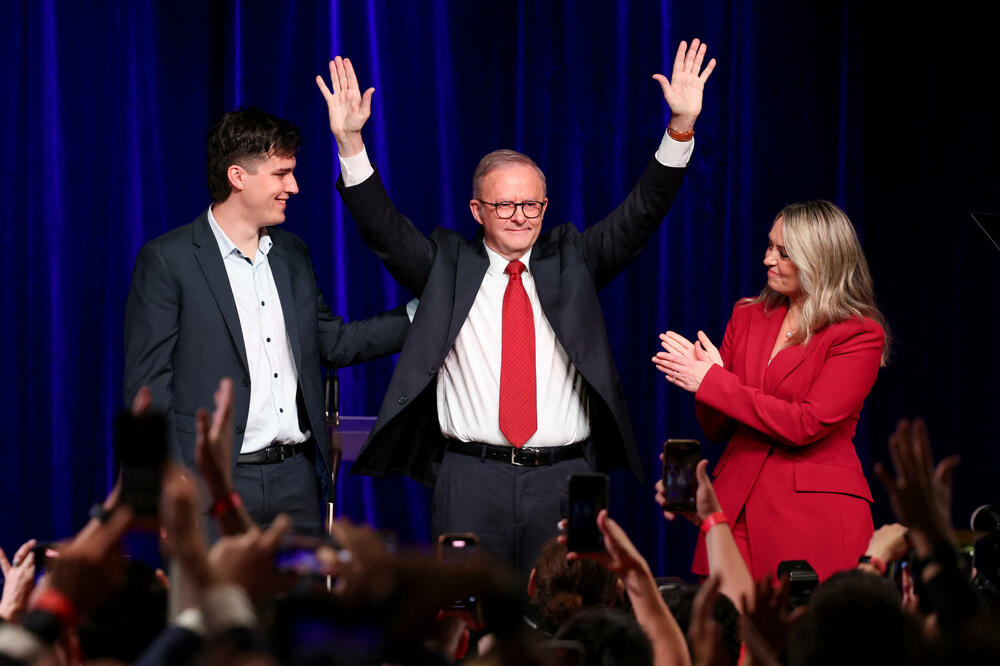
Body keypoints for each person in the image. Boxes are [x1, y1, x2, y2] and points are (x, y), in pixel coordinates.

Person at [316, 40, 716, 574]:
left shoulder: (572, 259)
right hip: (469, 479)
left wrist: (680, 129)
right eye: (505, 204)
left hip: (566, 479)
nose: (520, 216)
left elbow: (641, 214)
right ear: (477, 209)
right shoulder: (447, 267)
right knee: (469, 624)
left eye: (532, 204)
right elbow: (382, 229)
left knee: (566, 624)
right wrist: (350, 142)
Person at [123, 107, 410, 531]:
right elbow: (147, 389)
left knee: (301, 599)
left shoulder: (292, 253)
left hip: (295, 482)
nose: (293, 186)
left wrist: (425, 312)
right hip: (212, 487)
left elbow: (335, 343)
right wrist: (172, 483)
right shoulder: (168, 261)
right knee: (217, 601)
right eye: (281, 174)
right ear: (238, 176)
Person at [652, 200, 890, 581]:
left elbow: (804, 424)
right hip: (736, 506)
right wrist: (708, 378)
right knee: (729, 633)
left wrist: (714, 380)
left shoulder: (857, 333)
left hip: (813, 517)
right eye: (769, 246)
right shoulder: (747, 315)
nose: (768, 259)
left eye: (784, 252)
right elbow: (718, 429)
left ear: (821, 258)